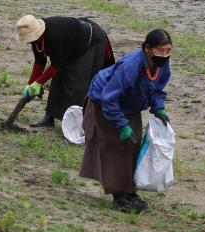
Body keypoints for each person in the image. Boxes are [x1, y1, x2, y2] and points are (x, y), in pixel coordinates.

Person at [79, 28, 172, 213]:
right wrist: (121, 125)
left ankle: (129, 191)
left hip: (130, 104)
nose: (164, 55)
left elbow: (156, 89)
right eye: (160, 50)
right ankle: (119, 195)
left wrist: (159, 108)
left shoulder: (161, 66)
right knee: (115, 148)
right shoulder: (131, 65)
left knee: (133, 145)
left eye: (168, 50)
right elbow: (109, 97)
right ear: (147, 49)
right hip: (105, 101)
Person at [15, 15, 115, 128]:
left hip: (89, 42)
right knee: (57, 81)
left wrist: (38, 83)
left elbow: (56, 65)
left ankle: (75, 125)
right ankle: (49, 117)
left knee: (78, 85)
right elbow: (39, 62)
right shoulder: (36, 40)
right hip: (70, 46)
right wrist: (30, 85)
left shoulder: (54, 35)